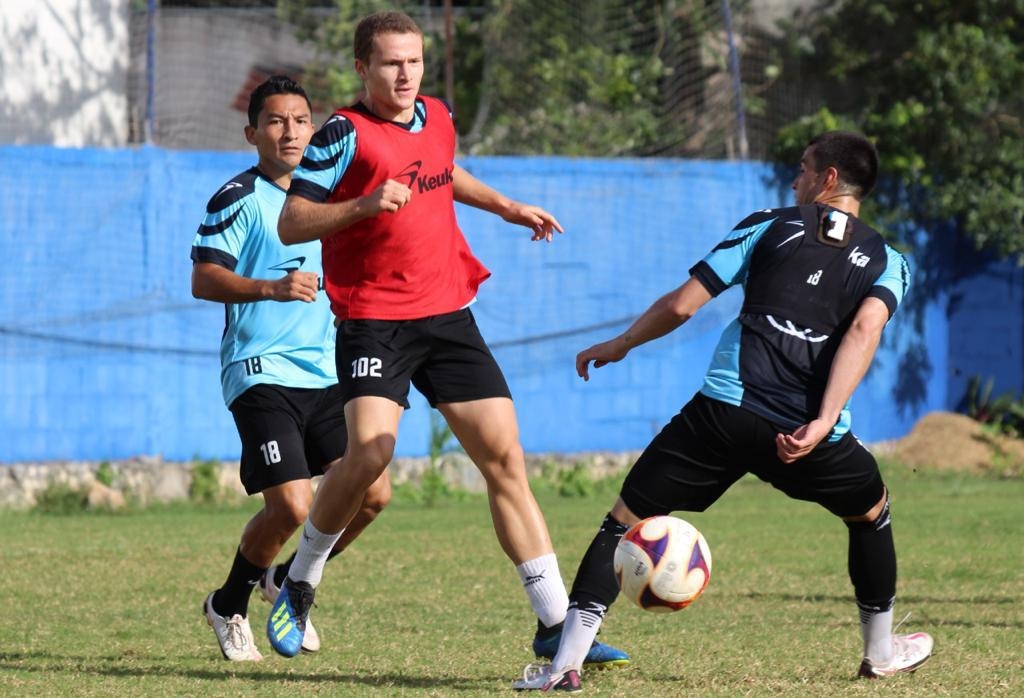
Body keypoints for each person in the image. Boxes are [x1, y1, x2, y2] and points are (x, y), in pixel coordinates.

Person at [263, 11, 627, 669]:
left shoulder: (436, 114)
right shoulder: (342, 133)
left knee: (505, 459)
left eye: (414, 61)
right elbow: (292, 222)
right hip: (375, 318)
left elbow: (442, 170)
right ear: (362, 69)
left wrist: (508, 207)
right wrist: (364, 206)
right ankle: (300, 579)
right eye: (390, 63)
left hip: (449, 314)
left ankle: (552, 625)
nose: (405, 74)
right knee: (371, 454)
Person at [512, 131, 934, 691]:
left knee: (622, 522)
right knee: (870, 513)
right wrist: (826, 420)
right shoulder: (890, 260)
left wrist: (622, 344)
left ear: (828, 179)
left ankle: (564, 666)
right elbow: (864, 330)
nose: (795, 179)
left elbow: (683, 305)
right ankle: (879, 652)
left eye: (804, 169)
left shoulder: (769, 224)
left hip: (723, 413)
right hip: (804, 431)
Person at [192, 75, 391, 662]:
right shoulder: (236, 197)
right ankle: (227, 606)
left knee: (374, 494)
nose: (291, 131)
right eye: (276, 121)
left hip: (328, 371)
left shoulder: (333, 195)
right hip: (260, 371)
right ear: (253, 133)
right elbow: (204, 278)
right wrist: (270, 289)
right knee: (292, 506)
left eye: (301, 120)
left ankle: (286, 580)